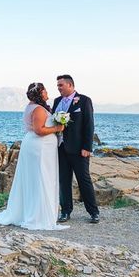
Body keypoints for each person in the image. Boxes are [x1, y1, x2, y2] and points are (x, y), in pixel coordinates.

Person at [0, 82, 67, 230]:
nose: (47, 93)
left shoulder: (34, 107)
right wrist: (57, 128)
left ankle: (30, 210)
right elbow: (39, 130)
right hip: (40, 147)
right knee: (41, 178)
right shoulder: (38, 109)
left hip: (39, 146)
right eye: (45, 91)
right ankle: (38, 216)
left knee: (36, 178)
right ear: (40, 93)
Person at [52, 74, 100, 224]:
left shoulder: (84, 100)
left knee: (84, 180)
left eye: (61, 85)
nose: (58, 88)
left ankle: (93, 212)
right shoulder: (57, 101)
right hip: (60, 148)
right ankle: (66, 211)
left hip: (79, 149)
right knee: (63, 181)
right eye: (58, 85)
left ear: (70, 85)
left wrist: (87, 147)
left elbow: (89, 125)